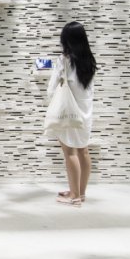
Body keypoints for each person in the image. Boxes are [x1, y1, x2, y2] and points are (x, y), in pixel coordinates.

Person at [47, 21, 96, 207]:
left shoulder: (65, 59)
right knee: (83, 151)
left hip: (69, 112)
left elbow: (51, 88)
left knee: (70, 153)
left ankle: (74, 196)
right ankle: (80, 193)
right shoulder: (90, 60)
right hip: (86, 112)